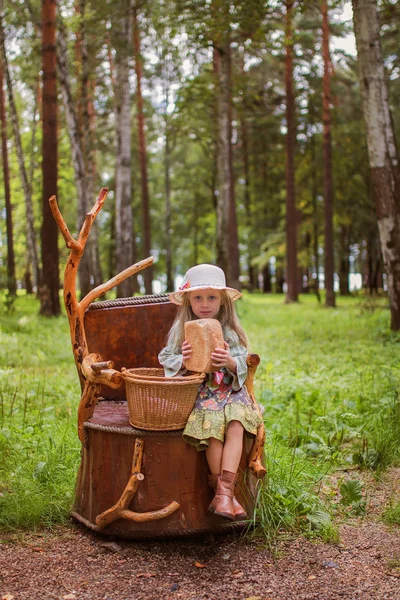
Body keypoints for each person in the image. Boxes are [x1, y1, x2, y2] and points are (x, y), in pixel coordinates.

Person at [158, 264, 263, 521]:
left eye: (212, 297)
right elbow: (165, 358)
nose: (205, 304)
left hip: (231, 390)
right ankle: (225, 495)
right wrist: (182, 360)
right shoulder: (183, 330)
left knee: (236, 423)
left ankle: (223, 495)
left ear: (223, 301)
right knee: (212, 429)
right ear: (189, 301)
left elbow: (243, 360)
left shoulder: (228, 330)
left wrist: (228, 361)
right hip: (202, 392)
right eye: (198, 298)